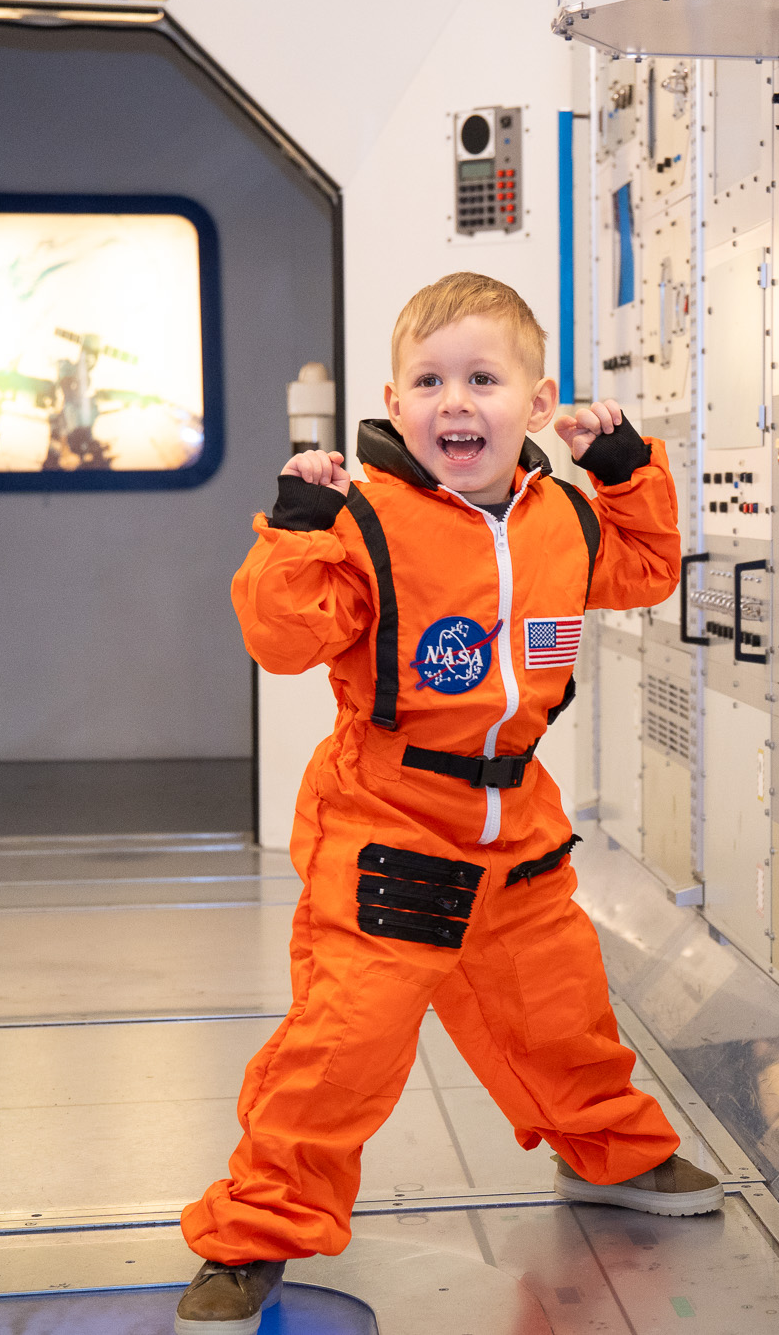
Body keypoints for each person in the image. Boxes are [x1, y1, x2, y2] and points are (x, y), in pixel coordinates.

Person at [173, 273, 721, 1332]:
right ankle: (258, 1234)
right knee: (343, 1049)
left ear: (535, 397)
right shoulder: (366, 519)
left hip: (514, 824)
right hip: (390, 825)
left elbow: (647, 567)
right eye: (428, 381)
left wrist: (623, 469)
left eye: (481, 379)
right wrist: (297, 524)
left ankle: (611, 1153)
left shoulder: (561, 514)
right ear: (392, 396)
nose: (453, 403)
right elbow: (282, 642)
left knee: (558, 1013)